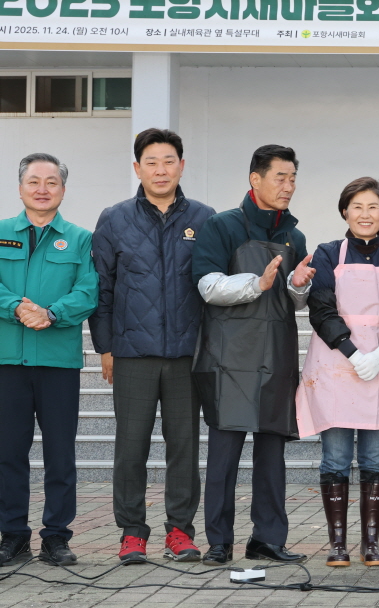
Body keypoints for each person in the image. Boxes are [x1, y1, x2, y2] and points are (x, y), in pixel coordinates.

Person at [90, 129, 215, 564]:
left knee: (184, 446)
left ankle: (180, 531)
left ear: (182, 165)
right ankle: (132, 533)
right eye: (151, 161)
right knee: (131, 447)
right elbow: (102, 288)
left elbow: (212, 287)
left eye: (168, 160)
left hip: (187, 355)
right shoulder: (115, 218)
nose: (160, 169)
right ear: (137, 167)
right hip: (132, 353)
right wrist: (105, 346)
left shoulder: (205, 217)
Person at [191, 144, 315, 566]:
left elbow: (296, 302)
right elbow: (207, 285)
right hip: (229, 356)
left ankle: (267, 537)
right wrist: (256, 284)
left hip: (276, 352)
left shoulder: (294, 236)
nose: (288, 186)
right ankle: (218, 541)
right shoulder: (220, 226)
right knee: (224, 452)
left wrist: (297, 284)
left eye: (293, 178)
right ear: (255, 179)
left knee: (272, 452)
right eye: (280, 177)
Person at [296, 177, 379, 568]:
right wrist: (351, 350)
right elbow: (321, 308)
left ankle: (372, 543)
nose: (366, 214)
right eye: (358, 206)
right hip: (335, 364)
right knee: (335, 459)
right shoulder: (327, 253)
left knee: (377, 459)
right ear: (345, 210)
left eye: (374, 207)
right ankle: (338, 544)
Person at [0, 154, 97, 568]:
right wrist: (15, 307)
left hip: (58, 361)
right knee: (8, 452)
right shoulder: (1, 233)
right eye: (34, 181)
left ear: (62, 189)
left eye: (52, 182)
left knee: (61, 453)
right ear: (20, 187)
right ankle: (13, 536)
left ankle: (56, 537)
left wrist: (52, 313)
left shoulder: (79, 238)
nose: (43, 188)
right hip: (8, 360)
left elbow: (89, 290)